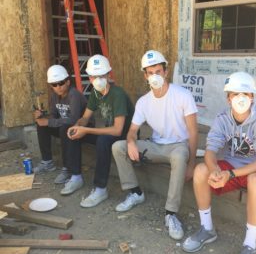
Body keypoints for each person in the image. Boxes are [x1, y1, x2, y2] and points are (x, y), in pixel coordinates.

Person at [182, 72, 256, 254]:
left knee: (255, 180)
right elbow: (210, 151)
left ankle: (249, 245)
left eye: (246, 93)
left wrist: (231, 174)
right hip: (232, 168)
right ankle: (207, 229)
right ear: (228, 98)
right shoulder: (223, 118)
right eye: (235, 93)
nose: (241, 98)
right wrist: (215, 169)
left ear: (252, 96)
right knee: (201, 169)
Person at [112, 50, 198, 240]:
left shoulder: (183, 95)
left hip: (178, 146)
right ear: (145, 76)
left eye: (158, 71)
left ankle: (171, 214)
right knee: (118, 147)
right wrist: (131, 142)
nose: (154, 77)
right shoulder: (143, 102)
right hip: (156, 146)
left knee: (178, 156)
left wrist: (191, 165)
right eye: (150, 73)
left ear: (166, 72)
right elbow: (132, 130)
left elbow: (193, 131)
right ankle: (135, 192)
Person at [64, 54, 134, 208]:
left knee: (103, 140)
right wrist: (78, 126)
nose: (97, 80)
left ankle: (101, 189)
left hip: (126, 136)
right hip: (111, 133)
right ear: (89, 77)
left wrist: (85, 129)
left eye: (101, 75)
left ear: (109, 75)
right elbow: (85, 117)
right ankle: (75, 176)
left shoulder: (118, 94)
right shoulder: (95, 93)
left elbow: (117, 130)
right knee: (73, 133)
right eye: (93, 76)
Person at [33, 65, 88, 184]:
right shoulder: (54, 96)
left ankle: (67, 168)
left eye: (61, 83)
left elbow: (74, 119)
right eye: (54, 84)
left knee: (64, 127)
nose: (58, 87)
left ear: (68, 82)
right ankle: (47, 162)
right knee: (42, 125)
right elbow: (53, 115)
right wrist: (43, 117)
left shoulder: (74, 95)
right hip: (65, 127)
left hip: (82, 129)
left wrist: (50, 121)